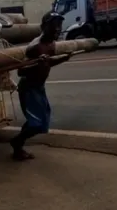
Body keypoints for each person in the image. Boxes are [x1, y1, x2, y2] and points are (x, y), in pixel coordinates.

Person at [10, 11, 72, 161]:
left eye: (59, 24)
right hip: (28, 89)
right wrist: (37, 62)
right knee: (36, 124)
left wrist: (63, 58)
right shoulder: (35, 47)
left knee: (42, 121)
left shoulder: (51, 43)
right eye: (54, 25)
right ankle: (17, 142)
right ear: (44, 26)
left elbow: (48, 62)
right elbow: (20, 71)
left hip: (39, 87)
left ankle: (18, 144)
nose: (58, 28)